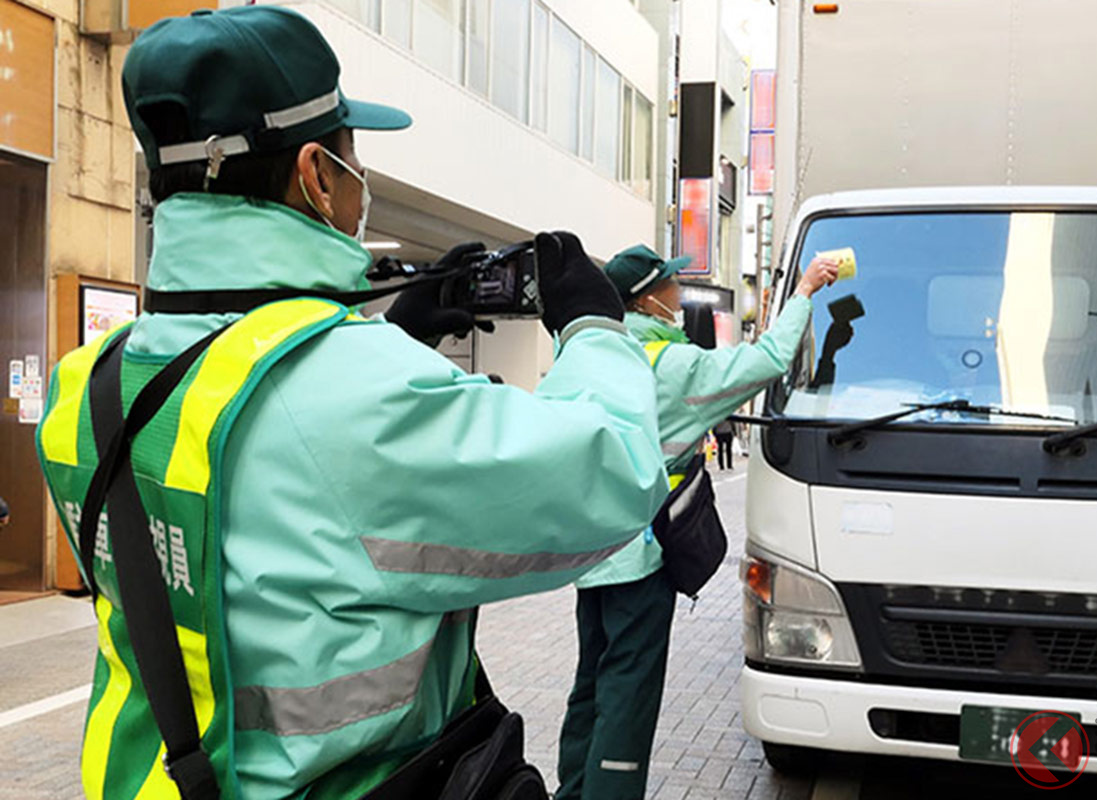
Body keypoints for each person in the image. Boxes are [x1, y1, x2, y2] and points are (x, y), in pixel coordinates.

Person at [35, 7, 667, 800]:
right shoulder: (356, 391)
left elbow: (264, 530)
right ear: (314, 172)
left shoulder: (82, 385)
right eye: (350, 153)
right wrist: (596, 329)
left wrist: (386, 335)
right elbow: (615, 477)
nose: (356, 177)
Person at [554, 244, 839, 800]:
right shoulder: (670, 365)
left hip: (590, 557)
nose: (678, 297)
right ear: (648, 300)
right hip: (640, 560)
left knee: (589, 684)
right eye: (670, 287)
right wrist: (803, 293)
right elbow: (767, 361)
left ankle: (572, 791)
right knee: (627, 696)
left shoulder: (587, 357)